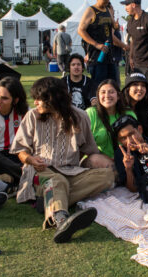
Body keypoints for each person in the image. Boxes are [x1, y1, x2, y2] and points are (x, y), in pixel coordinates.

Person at [10, 77, 114, 243]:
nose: (35, 102)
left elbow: (90, 150)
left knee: (106, 176)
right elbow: (20, 149)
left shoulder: (80, 116)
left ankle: (48, 201)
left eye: (39, 98)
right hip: (40, 170)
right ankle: (61, 220)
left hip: (71, 171)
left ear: (53, 99)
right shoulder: (32, 116)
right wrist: (30, 159)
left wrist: (114, 165)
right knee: (57, 181)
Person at [78, 0, 127, 83]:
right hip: (97, 55)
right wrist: (96, 44)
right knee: (99, 84)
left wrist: (116, 26)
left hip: (109, 54)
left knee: (113, 83)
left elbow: (113, 25)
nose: (107, 0)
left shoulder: (107, 10)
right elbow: (80, 30)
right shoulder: (91, 10)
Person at [121, 0, 148, 104]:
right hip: (136, 64)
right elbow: (133, 41)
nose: (125, 8)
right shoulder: (130, 22)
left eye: (127, 5)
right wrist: (130, 57)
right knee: (135, 94)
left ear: (134, 5)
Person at [86, 79, 136, 160]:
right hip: (98, 159)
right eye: (103, 92)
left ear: (118, 96)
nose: (107, 95)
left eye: (111, 92)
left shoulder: (128, 114)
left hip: (125, 158)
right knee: (95, 160)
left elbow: (136, 140)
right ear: (98, 96)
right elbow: (82, 142)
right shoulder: (90, 113)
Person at [122, 71, 148, 138]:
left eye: (143, 85)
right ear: (128, 88)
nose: (140, 88)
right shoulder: (120, 106)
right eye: (135, 84)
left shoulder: (142, 105)